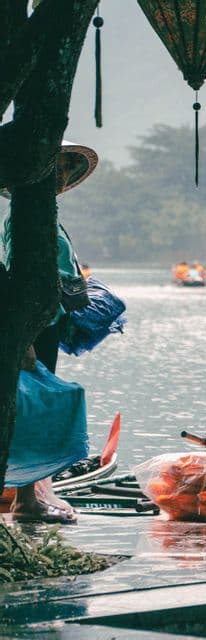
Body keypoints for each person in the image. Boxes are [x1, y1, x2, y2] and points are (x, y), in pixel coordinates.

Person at [0, 140, 99, 524]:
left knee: (33, 407)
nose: (61, 175)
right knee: (24, 408)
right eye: (56, 167)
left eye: (65, 169)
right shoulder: (25, 217)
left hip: (48, 323)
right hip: (31, 327)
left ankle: (28, 496)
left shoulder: (48, 217)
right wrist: (23, 340)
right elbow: (20, 275)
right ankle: (25, 496)